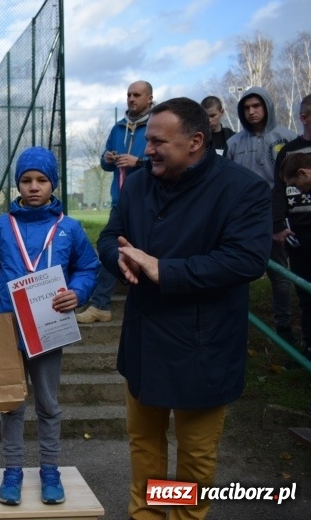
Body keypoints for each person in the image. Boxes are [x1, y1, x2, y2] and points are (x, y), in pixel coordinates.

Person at [97, 97, 272, 520]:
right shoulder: (137, 183)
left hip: (203, 347)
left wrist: (165, 270)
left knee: (194, 458)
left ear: (196, 141)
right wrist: (117, 259)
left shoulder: (243, 189)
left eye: (158, 141)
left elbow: (247, 259)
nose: (148, 150)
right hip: (144, 342)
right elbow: (110, 236)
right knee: (145, 446)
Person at [0, 147, 99, 506]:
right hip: (8, 325)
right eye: (26, 180)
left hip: (48, 325)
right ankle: (13, 470)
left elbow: (88, 268)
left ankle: (50, 469)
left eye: (42, 180)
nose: (34, 187)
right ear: (18, 185)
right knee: (10, 402)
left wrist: (78, 292)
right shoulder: (0, 227)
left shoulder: (69, 228)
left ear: (53, 184)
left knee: (48, 403)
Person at [76, 80, 153, 324]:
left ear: (149, 99)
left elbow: (168, 160)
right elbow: (105, 164)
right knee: (112, 247)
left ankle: (152, 306)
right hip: (120, 200)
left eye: (137, 95)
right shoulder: (118, 127)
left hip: (151, 198)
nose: (131, 99)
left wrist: (138, 163)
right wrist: (108, 158)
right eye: (129, 94)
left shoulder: (157, 124)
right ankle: (100, 304)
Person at [226, 86, 296, 344]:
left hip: (278, 217)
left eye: (257, 106)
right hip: (243, 219)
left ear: (267, 106)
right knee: (237, 272)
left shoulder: (286, 138)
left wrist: (281, 218)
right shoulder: (234, 143)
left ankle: (284, 327)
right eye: (246, 108)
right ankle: (235, 326)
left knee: (280, 276)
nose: (252, 111)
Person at [275, 98, 311, 359]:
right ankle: (308, 348)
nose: (298, 189)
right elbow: (278, 191)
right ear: (304, 117)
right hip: (300, 235)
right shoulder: (288, 151)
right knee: (306, 297)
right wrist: (277, 225)